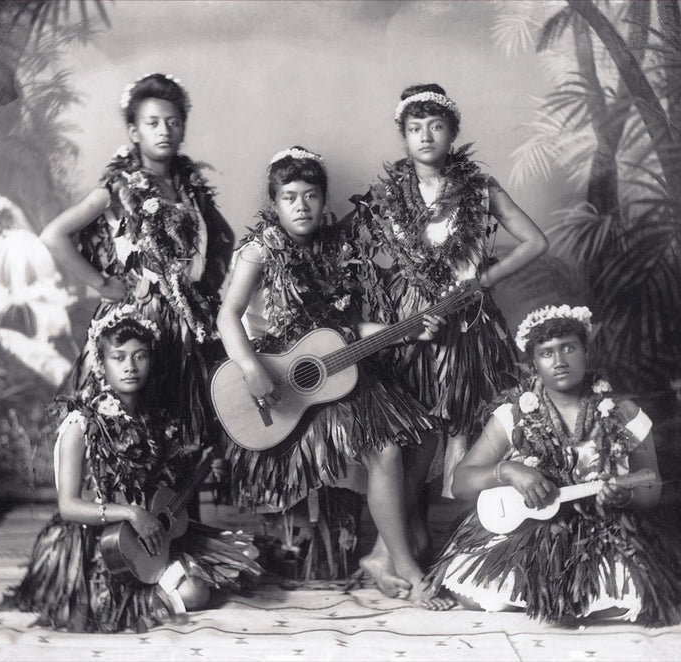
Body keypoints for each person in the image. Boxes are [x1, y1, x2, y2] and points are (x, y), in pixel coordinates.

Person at [216, 147, 443, 603]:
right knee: (386, 451)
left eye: (311, 195)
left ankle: (381, 552)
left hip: (332, 367)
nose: (301, 206)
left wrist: (407, 332)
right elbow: (228, 316)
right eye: (289, 196)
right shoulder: (260, 250)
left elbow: (344, 328)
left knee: (426, 436)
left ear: (323, 201)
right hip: (281, 381)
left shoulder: (335, 249)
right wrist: (250, 367)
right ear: (274, 204)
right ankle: (407, 565)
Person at [345, 82, 548, 582]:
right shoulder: (388, 196)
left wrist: (484, 280)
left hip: (468, 324)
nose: (426, 137)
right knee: (415, 432)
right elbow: (348, 257)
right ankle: (391, 545)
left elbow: (535, 241)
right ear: (404, 136)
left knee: (457, 426)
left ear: (453, 133)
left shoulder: (478, 185)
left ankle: (447, 544)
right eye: (415, 129)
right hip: (414, 325)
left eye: (436, 126)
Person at [424, 304, 681, 626]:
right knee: (472, 593)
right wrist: (509, 471)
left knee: (631, 595)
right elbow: (460, 482)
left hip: (601, 530)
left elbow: (651, 484)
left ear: (586, 352)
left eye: (568, 348)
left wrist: (623, 497)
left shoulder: (620, 413)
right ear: (533, 362)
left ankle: (558, 597)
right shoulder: (514, 415)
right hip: (530, 531)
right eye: (546, 353)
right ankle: (551, 594)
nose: (559, 361)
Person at [0, 307, 262, 632]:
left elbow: (161, 488)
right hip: (97, 541)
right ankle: (145, 595)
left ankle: (163, 580)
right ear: (101, 363)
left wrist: (209, 465)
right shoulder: (80, 424)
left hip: (144, 534)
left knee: (229, 569)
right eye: (118, 357)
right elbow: (68, 507)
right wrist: (130, 514)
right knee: (191, 593)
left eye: (139, 356)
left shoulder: (151, 419)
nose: (130, 367)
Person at [40, 73, 234, 485]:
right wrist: (104, 284)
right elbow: (53, 236)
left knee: (185, 427)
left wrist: (200, 290)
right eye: (152, 122)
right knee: (135, 425)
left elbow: (221, 240)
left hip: (186, 326)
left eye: (172, 121)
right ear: (133, 131)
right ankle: (124, 532)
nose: (164, 130)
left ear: (182, 127)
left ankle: (181, 530)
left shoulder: (189, 187)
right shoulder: (118, 188)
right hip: (139, 322)